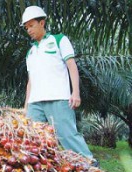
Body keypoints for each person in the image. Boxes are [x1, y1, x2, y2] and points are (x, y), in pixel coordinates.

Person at [21, 6, 95, 160]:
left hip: (58, 98)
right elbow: (30, 81)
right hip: (35, 102)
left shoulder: (59, 40)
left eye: (31, 25)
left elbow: (71, 66)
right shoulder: (31, 52)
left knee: (66, 135)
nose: (29, 30)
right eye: (26, 27)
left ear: (42, 23)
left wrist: (75, 92)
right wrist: (26, 105)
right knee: (32, 138)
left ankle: (91, 166)